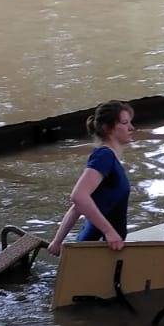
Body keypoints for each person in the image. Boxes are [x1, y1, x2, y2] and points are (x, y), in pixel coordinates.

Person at [48, 101, 135, 256]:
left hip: (99, 248)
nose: (131, 128)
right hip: (95, 251)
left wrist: (57, 241)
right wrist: (109, 232)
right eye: (124, 123)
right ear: (107, 128)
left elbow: (77, 206)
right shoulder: (104, 156)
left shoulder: (110, 159)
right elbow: (78, 196)